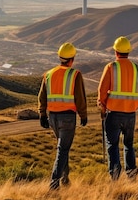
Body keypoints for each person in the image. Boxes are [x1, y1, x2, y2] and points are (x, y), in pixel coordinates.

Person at [97, 36, 138, 181]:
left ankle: (115, 177)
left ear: (115, 51)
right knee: (129, 144)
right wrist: (136, 103)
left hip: (113, 114)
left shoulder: (111, 67)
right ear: (129, 52)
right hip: (130, 114)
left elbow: (102, 91)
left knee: (112, 145)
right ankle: (132, 175)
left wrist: (103, 107)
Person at [38, 42, 88, 190]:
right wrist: (83, 115)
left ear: (60, 57)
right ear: (72, 58)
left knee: (62, 148)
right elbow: (80, 97)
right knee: (63, 149)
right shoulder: (75, 74)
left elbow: (42, 96)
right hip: (67, 117)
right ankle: (54, 183)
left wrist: (42, 114)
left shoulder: (48, 74)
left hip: (53, 117)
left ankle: (65, 179)